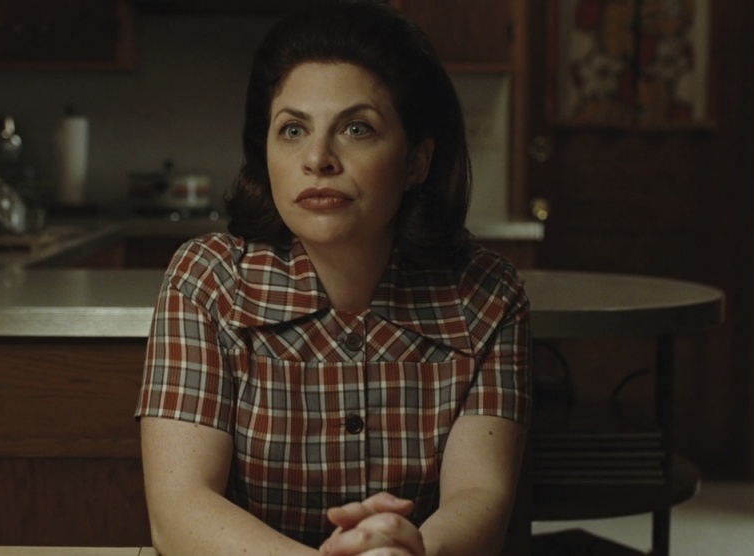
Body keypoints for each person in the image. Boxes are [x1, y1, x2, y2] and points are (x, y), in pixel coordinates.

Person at [135, 2, 531, 554]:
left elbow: (480, 498)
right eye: (293, 129)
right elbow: (178, 510)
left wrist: (405, 552)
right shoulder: (206, 281)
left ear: (416, 161)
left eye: (356, 128)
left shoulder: (487, 295)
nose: (317, 158)